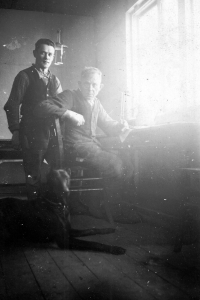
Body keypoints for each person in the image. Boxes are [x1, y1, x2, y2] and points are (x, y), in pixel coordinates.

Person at [32, 67, 138, 217]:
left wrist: (121, 126)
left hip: (90, 147)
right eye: (87, 84)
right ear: (79, 84)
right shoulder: (70, 96)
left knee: (127, 163)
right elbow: (41, 107)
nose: (90, 88)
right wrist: (68, 113)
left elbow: (108, 124)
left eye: (94, 85)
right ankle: (107, 209)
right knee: (114, 163)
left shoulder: (96, 103)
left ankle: (106, 206)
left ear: (100, 87)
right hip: (73, 148)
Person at [4, 38, 62, 200]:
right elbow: (12, 104)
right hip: (31, 133)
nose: (46, 57)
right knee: (33, 175)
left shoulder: (54, 80)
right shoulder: (24, 76)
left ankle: (51, 213)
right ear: (35, 53)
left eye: (50, 54)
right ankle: (34, 214)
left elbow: (61, 107)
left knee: (56, 173)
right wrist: (15, 131)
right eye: (43, 52)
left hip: (51, 134)